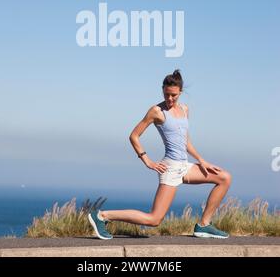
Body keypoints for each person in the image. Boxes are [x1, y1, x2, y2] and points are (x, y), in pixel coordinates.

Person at [88, 69, 231, 240]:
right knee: (154, 219)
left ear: (180, 92)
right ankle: (102, 216)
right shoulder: (156, 111)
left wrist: (201, 160)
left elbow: (185, 142)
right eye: (166, 94)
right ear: (162, 90)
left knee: (224, 178)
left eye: (173, 95)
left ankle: (204, 225)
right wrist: (147, 160)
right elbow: (134, 136)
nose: (169, 99)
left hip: (185, 167)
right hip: (170, 168)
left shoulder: (185, 110)